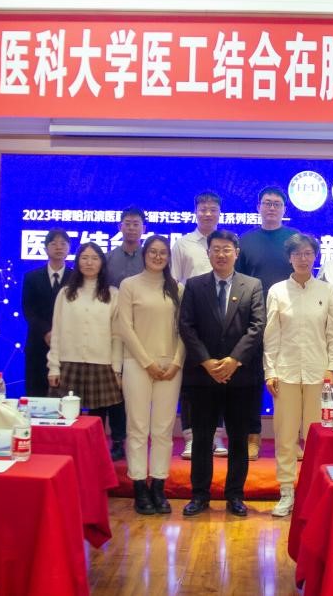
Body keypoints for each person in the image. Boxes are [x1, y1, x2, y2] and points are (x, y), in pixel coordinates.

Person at [178, 230, 265, 517]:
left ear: (236, 253)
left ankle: (235, 496)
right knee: (202, 439)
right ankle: (199, 495)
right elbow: (186, 326)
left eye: (227, 249)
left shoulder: (252, 285)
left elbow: (257, 327)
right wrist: (206, 362)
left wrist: (233, 360)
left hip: (240, 377)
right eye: (216, 249)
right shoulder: (194, 285)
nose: (221, 254)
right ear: (208, 253)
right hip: (203, 376)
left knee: (239, 439)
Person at [264, 233, 333, 517]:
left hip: (318, 374)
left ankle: (312, 492)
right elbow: (271, 335)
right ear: (289, 258)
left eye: (308, 253)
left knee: (315, 436)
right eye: (297, 254)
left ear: (315, 256)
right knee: (285, 436)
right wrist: (270, 370)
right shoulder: (277, 291)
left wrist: (332, 367)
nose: (303, 258)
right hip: (284, 373)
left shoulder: (326, 291)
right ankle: (286, 491)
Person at [117, 235, 184, 516]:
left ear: (168, 257)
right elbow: (125, 327)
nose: (158, 257)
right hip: (137, 364)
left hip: (170, 367)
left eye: (163, 253)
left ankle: (158, 484)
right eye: (153, 252)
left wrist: (177, 363)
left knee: (163, 429)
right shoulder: (129, 285)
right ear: (144, 254)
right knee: (137, 427)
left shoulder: (177, 288)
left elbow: (185, 330)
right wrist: (147, 363)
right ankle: (139, 487)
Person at [235, 186, 298, 459]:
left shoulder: (294, 240)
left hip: (288, 321)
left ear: (284, 210)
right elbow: (238, 283)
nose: (271, 208)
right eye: (267, 203)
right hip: (253, 322)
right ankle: (253, 437)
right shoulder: (246, 241)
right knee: (252, 383)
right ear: (258, 207)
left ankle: (290, 438)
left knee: (287, 382)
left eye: (276, 204)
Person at [48, 242, 125, 459]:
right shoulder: (66, 293)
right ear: (78, 261)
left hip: (102, 363)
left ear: (102, 263)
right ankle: (69, 451)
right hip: (69, 362)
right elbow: (57, 331)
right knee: (68, 415)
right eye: (84, 258)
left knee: (98, 415)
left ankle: (99, 452)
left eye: (94, 258)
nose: (89, 263)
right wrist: (53, 367)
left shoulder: (112, 294)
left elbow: (117, 335)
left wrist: (116, 368)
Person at [170, 190, 228, 459]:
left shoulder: (226, 243)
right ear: (195, 212)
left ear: (219, 213)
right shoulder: (183, 244)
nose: (208, 213)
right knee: (192, 382)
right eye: (203, 209)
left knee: (220, 377)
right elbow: (174, 283)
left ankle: (217, 436)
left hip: (223, 320)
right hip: (192, 319)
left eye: (213, 209)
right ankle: (191, 438)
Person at [21, 228, 71, 397]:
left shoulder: (75, 278)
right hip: (38, 343)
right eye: (54, 243)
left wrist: (58, 334)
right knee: (36, 394)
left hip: (67, 345)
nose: (59, 247)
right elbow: (28, 310)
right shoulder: (31, 277)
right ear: (45, 248)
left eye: (63, 243)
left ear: (69, 249)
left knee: (65, 396)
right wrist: (46, 332)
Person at [106, 207, 146, 288]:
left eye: (136, 224)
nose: (131, 228)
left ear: (143, 229)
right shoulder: (107, 258)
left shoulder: (149, 258)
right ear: (120, 227)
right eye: (127, 224)